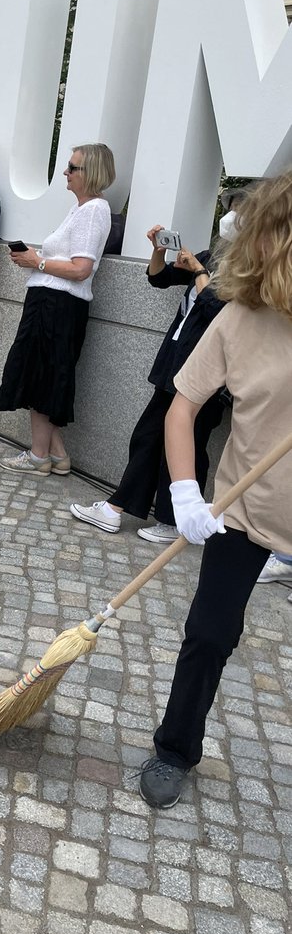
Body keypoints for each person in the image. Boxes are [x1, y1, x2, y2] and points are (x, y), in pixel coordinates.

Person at [138, 170, 292, 809]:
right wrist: (183, 492)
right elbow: (181, 406)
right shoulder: (240, 319)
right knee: (208, 633)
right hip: (246, 509)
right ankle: (175, 747)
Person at [70, 227, 225, 543]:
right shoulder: (212, 257)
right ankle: (123, 509)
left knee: (184, 445)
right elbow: (159, 278)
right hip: (176, 364)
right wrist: (159, 251)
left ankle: (162, 518)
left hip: (208, 373)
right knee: (151, 438)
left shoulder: (247, 270)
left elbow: (217, 310)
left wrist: (198, 270)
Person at [0, 144, 115, 475]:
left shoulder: (93, 211)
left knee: (43, 376)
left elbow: (81, 269)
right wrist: (36, 260)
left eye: (72, 167)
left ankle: (38, 456)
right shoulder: (82, 209)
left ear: (89, 172)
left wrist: (39, 261)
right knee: (42, 375)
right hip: (51, 303)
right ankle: (57, 455)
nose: (66, 172)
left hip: (58, 306)